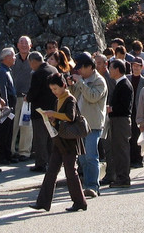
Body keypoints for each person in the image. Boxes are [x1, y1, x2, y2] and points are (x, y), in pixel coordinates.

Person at [30, 73, 88, 212]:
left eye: (55, 89)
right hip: (59, 139)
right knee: (51, 171)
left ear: (63, 85)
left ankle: (80, 202)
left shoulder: (70, 99)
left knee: (70, 171)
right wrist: (51, 118)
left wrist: (53, 114)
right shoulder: (59, 100)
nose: (54, 92)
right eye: (52, 89)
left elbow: (70, 117)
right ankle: (43, 202)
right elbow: (61, 119)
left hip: (69, 141)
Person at [69, 52, 107, 198]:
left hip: (93, 124)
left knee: (91, 156)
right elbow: (75, 98)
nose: (78, 70)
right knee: (83, 158)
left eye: (81, 68)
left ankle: (93, 186)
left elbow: (92, 97)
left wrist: (79, 82)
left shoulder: (99, 81)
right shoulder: (82, 80)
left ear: (90, 67)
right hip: (80, 124)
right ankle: (86, 185)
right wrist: (71, 85)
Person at [103, 58, 133, 187]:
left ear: (117, 70)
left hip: (121, 121)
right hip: (117, 120)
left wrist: (111, 108)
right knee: (118, 149)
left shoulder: (124, 84)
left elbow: (125, 107)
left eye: (111, 68)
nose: (109, 71)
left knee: (121, 149)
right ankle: (120, 176)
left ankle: (123, 178)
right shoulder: (120, 83)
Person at [26, 51, 58, 173]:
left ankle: (40, 163)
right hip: (53, 109)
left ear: (33, 61)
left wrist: (27, 98)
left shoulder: (37, 74)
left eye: (30, 63)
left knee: (40, 139)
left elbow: (33, 92)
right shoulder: (53, 70)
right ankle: (52, 161)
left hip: (40, 111)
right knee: (51, 137)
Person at [11, 36, 33, 161]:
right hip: (14, 97)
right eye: (21, 43)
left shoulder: (34, 59)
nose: (24, 45)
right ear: (17, 45)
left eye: (26, 43)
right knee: (13, 125)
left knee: (27, 126)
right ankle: (11, 150)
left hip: (28, 98)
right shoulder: (12, 58)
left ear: (31, 45)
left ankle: (24, 152)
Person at [0, 48, 17, 165]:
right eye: (13, 56)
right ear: (6, 57)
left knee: (9, 129)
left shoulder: (7, 70)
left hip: (12, 104)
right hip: (7, 105)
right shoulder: (2, 71)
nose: (14, 58)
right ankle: (0, 155)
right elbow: (3, 89)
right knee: (3, 129)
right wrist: (6, 105)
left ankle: (7, 153)